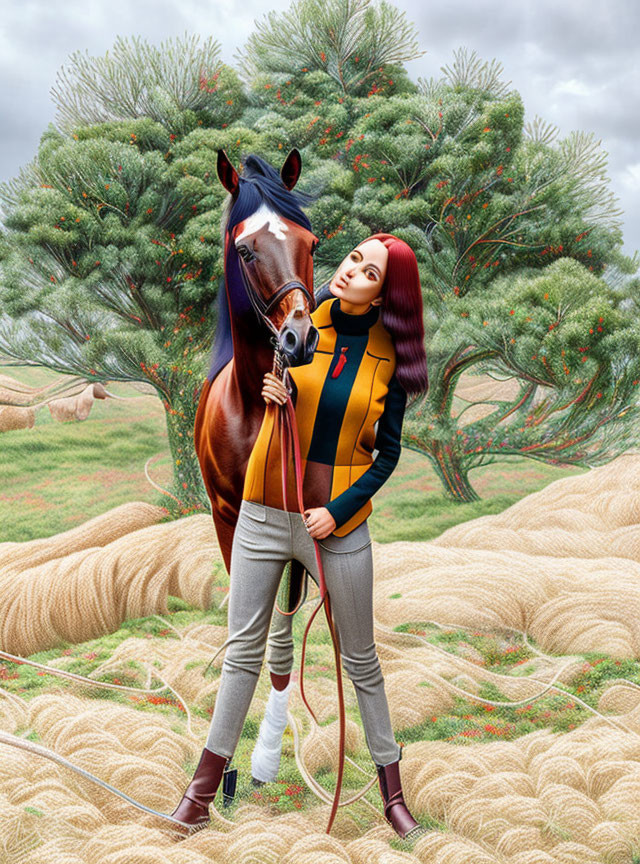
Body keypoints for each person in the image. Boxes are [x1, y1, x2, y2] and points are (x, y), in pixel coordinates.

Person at [169, 233, 429, 839]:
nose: (351, 271)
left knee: (361, 660)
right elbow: (259, 391)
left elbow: (385, 457)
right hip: (262, 510)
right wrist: (274, 394)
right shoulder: (298, 320)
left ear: (386, 292)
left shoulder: (391, 358)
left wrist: (338, 512)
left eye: (369, 271)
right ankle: (200, 797)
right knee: (241, 654)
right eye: (353, 258)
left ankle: (392, 797)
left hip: (336, 527)